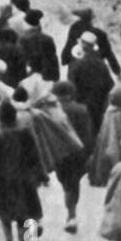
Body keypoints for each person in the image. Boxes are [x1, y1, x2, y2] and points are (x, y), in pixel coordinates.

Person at [0, 99, 45, 241]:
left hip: (5, 179)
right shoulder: (26, 133)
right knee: (25, 212)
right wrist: (40, 175)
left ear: (0, 119)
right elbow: (35, 156)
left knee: (4, 214)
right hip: (25, 178)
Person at [52, 79, 95, 233]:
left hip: (59, 154)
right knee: (73, 183)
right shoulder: (81, 110)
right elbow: (88, 134)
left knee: (67, 184)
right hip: (78, 153)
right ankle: (72, 214)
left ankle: (71, 215)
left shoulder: (52, 111)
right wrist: (90, 153)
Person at [61, 6, 121, 76]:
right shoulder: (100, 34)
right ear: (91, 20)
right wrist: (117, 71)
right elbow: (109, 53)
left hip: (75, 67)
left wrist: (64, 59)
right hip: (94, 68)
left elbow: (69, 46)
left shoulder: (74, 29)